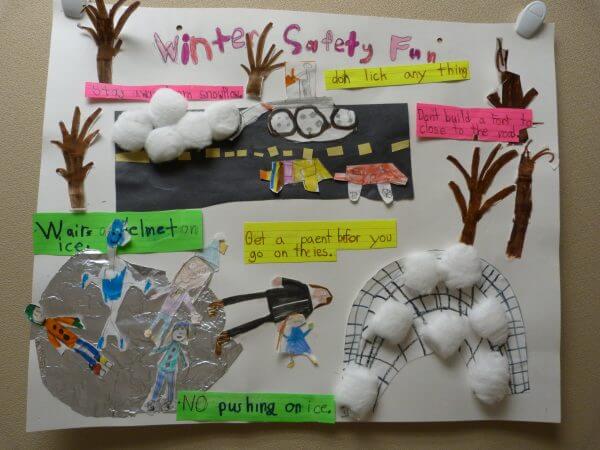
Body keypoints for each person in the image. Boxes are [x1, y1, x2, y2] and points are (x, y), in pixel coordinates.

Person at [208, 277, 332, 355]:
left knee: (250, 324)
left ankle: (223, 337)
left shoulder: (308, 310)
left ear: (322, 302)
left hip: (275, 314)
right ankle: (217, 305)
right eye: (324, 292)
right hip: (271, 297)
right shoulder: (304, 287)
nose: (322, 295)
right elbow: (289, 282)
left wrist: (285, 324)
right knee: (245, 299)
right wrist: (281, 280)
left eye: (324, 297)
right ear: (319, 288)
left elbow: (295, 320)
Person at [25, 304, 113, 378]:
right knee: (83, 353)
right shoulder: (48, 331)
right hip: (70, 344)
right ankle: (95, 366)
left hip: (75, 338)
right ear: (34, 321)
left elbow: (63, 319)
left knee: (88, 346)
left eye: (38, 310)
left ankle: (100, 358)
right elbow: (53, 340)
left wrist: (74, 321)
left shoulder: (52, 320)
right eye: (35, 314)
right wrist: (60, 349)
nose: (39, 314)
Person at [142, 322, 190, 413]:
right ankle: (154, 400)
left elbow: (182, 356)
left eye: (182, 332)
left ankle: (169, 401)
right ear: (172, 332)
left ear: (185, 336)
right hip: (162, 367)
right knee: (159, 384)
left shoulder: (179, 347)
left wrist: (184, 364)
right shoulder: (171, 344)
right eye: (177, 331)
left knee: (170, 385)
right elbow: (163, 348)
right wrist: (155, 351)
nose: (180, 333)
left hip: (171, 370)